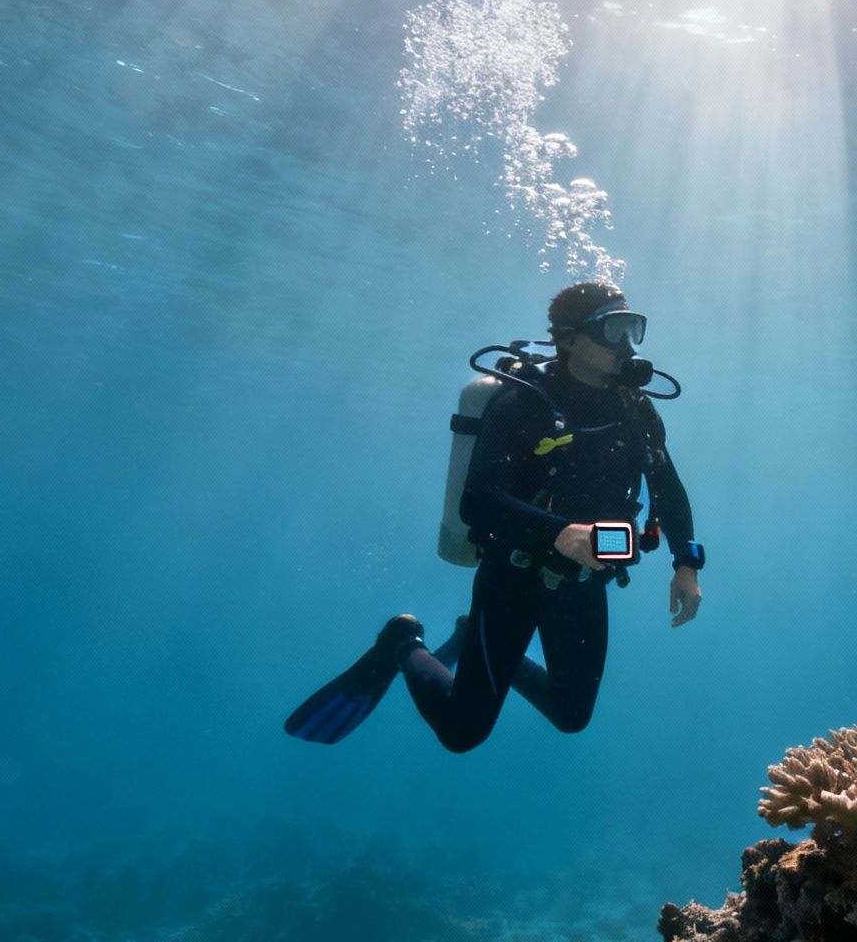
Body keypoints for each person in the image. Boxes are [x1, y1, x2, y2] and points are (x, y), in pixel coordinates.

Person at [284, 280, 704, 751]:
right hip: (513, 579)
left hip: (585, 582)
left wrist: (685, 564)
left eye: (633, 329)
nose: (625, 345)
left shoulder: (637, 410)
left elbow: (668, 489)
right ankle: (403, 641)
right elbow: (478, 500)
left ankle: (468, 638)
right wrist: (561, 533)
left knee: (571, 716)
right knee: (463, 732)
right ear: (567, 339)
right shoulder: (524, 403)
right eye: (612, 330)